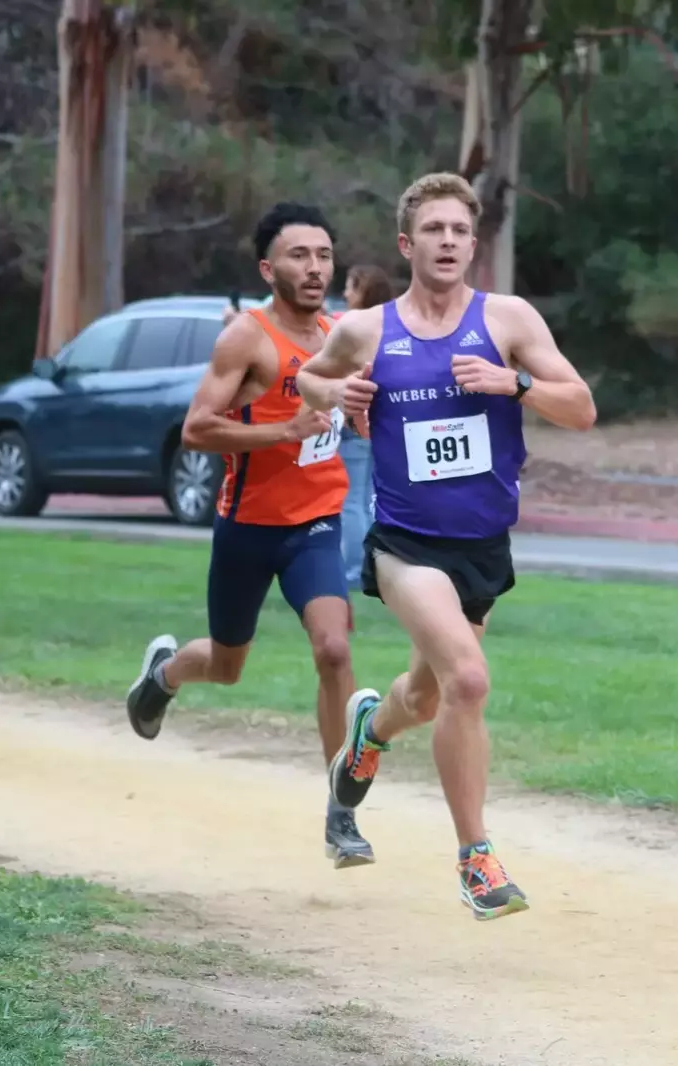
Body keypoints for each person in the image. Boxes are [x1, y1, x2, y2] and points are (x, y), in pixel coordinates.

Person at [295, 173, 597, 920]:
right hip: (404, 544)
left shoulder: (508, 321)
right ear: (408, 244)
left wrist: (513, 384)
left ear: (474, 244)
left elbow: (583, 408)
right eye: (434, 230)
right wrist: (335, 396)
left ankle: (370, 732)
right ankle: (476, 860)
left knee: (425, 698)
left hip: (481, 547)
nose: (449, 242)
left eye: (461, 231)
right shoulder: (368, 330)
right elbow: (308, 376)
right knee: (467, 680)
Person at [125, 202, 376, 868]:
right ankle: (165, 673)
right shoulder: (248, 337)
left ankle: (340, 812)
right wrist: (282, 432)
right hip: (247, 527)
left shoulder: (343, 335)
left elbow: (362, 415)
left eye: (324, 254)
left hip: (316, 524)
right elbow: (196, 429)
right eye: (300, 255)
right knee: (229, 666)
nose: (316, 267)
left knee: (332, 646)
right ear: (269, 268)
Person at [335, 264, 394, 591]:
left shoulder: (354, 328)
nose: (345, 293)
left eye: (351, 287)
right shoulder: (390, 327)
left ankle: (355, 572)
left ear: (364, 292)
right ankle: (377, 569)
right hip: (382, 424)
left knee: (352, 501)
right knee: (371, 499)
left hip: (355, 423)